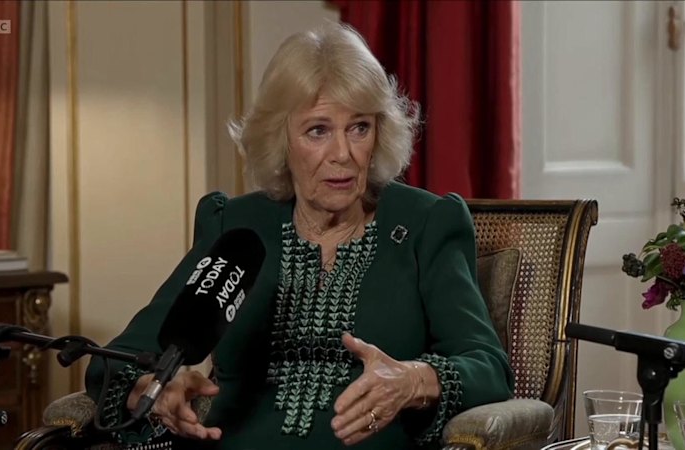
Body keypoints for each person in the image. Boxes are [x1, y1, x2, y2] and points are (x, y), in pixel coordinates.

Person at [85, 23, 513, 450]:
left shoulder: (426, 224)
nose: (343, 154)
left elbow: (488, 366)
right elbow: (115, 363)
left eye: (359, 128)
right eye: (318, 130)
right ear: (281, 140)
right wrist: (155, 390)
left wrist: (413, 380)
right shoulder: (235, 226)